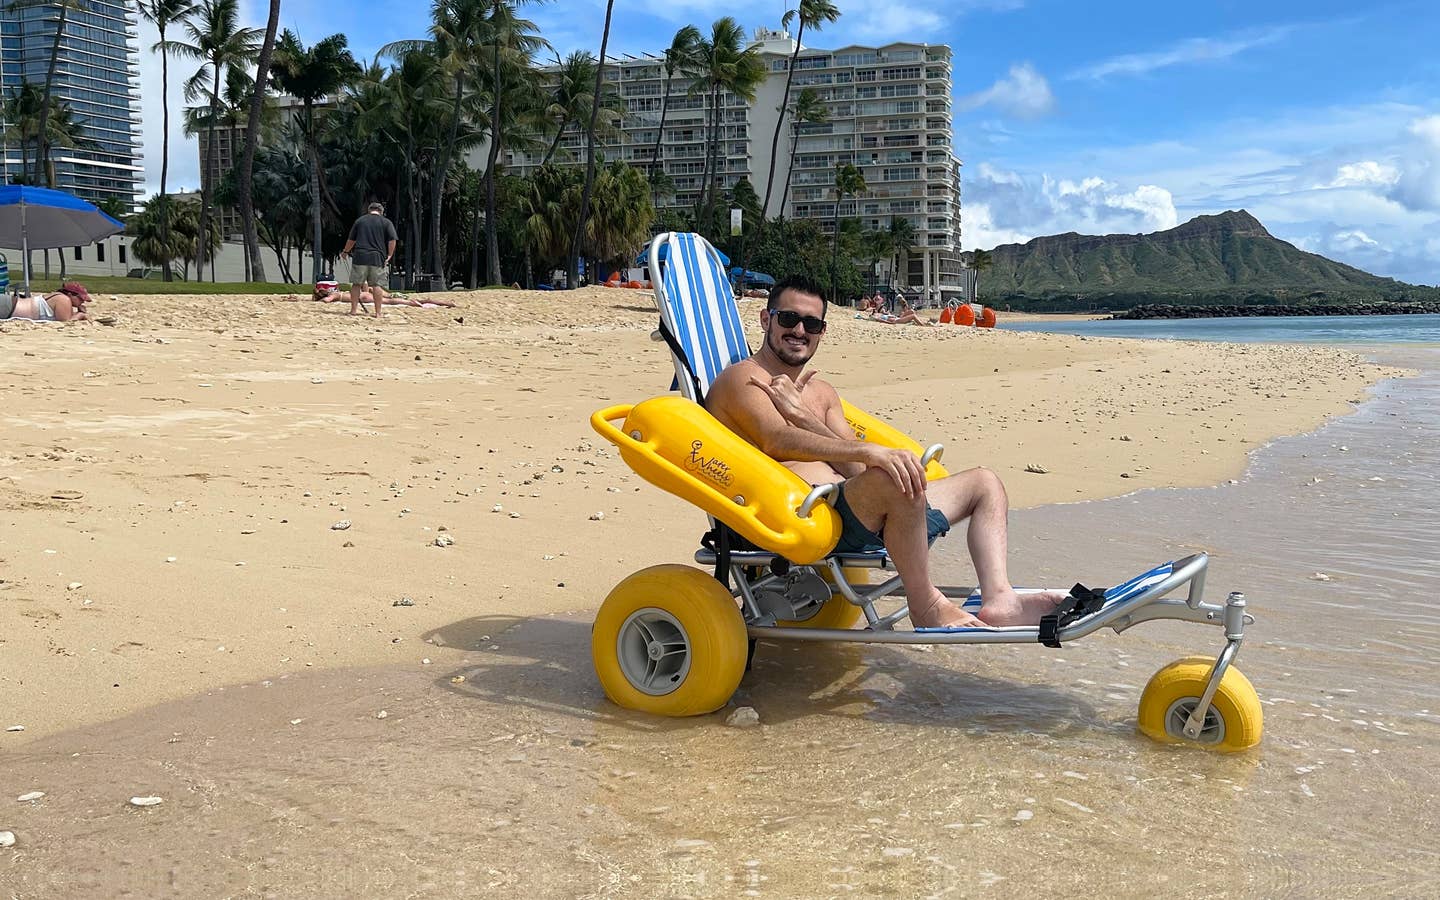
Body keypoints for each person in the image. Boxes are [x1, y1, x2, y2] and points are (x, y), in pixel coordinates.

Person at [706, 275, 1069, 629]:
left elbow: (851, 468)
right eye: (789, 319)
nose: (800, 330)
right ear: (766, 319)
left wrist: (802, 414)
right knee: (891, 478)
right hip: (803, 517)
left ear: (822, 332)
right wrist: (872, 452)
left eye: (811, 323)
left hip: (858, 508)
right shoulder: (744, 379)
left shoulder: (822, 392)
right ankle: (924, 604)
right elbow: (776, 440)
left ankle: (999, 598)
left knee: (984, 483)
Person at [338, 201, 398, 319]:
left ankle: (353, 311)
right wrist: (389, 255)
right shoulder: (386, 222)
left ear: (369, 210)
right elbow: (392, 240)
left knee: (356, 284)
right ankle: (378, 312)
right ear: (381, 211)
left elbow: (352, 239)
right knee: (377, 285)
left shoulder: (360, 221)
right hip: (377, 257)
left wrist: (345, 252)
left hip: (360, 255)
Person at [3, 282, 91, 322]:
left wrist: (78, 312)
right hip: (10, 308)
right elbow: (66, 321)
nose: (82, 301)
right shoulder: (64, 300)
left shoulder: (59, 296)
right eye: (80, 299)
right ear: (70, 294)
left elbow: (66, 316)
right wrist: (80, 315)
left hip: (11, 305)